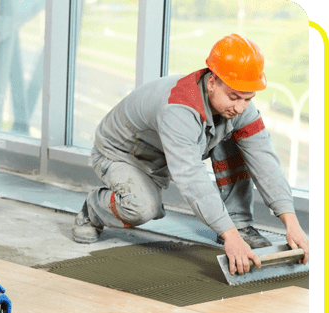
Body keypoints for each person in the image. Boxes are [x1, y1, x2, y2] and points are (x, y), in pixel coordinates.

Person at [72, 34, 309, 276]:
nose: (240, 107)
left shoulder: (238, 106)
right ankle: (92, 209)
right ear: (212, 82)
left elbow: (265, 160)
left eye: (248, 99)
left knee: (237, 141)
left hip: (161, 150)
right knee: (144, 207)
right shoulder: (178, 109)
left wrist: (291, 223)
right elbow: (191, 178)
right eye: (234, 97)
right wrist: (231, 238)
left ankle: (240, 223)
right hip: (121, 154)